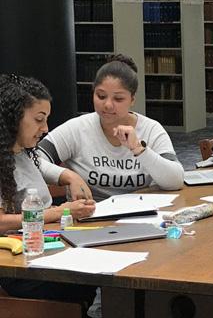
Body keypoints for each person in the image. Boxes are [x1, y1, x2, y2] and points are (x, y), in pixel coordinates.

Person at [0, 73, 96, 305]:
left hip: (43, 244)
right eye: (39, 119)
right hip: (18, 265)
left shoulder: (21, 151)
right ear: (13, 118)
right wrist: (60, 211)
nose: (45, 128)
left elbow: (41, 167)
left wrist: (69, 175)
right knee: (85, 277)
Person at [38, 54, 184, 202]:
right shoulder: (77, 128)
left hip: (138, 215)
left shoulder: (151, 129)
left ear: (132, 99)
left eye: (118, 99)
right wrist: (68, 176)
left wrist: (139, 149)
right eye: (101, 96)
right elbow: (31, 159)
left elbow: (176, 180)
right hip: (89, 216)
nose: (107, 105)